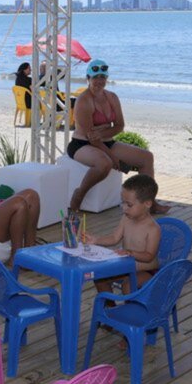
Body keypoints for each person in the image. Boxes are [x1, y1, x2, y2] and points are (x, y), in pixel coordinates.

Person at [69, 58, 168, 214]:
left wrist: (101, 132)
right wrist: (112, 157)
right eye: (95, 77)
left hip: (106, 142)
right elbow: (91, 138)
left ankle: (150, 202)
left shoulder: (112, 97)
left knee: (146, 157)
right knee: (105, 164)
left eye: (102, 77)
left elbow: (120, 126)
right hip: (82, 144)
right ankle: (79, 195)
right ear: (88, 78)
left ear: (107, 78)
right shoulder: (83, 101)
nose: (99, 81)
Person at [81, 174, 162, 295]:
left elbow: (149, 256)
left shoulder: (153, 229)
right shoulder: (126, 219)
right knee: (100, 278)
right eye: (122, 203)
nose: (124, 208)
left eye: (129, 205)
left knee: (128, 285)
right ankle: (109, 309)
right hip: (126, 268)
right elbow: (114, 238)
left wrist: (131, 253)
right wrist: (96, 240)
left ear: (147, 204)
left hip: (147, 271)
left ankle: (128, 313)